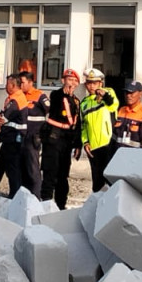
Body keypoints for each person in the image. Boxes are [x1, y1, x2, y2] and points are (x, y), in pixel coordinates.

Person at [3, 69, 48, 197]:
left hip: (33, 137)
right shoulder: (19, 97)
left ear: (30, 82)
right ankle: (23, 195)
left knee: (32, 169)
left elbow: (48, 112)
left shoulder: (39, 96)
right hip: (21, 137)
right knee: (20, 169)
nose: (20, 85)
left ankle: (36, 196)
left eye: (22, 83)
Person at [41, 68, 81, 208]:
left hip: (67, 141)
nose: (72, 83)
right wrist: (63, 92)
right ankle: (45, 203)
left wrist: (78, 145)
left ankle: (61, 205)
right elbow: (56, 102)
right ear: (63, 81)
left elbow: (78, 124)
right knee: (50, 172)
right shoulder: (56, 95)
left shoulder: (76, 101)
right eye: (69, 80)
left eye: (75, 81)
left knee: (63, 175)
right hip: (53, 138)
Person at [79, 68, 119, 191]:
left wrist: (105, 95)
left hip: (107, 143)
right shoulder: (84, 103)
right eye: (89, 83)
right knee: (97, 183)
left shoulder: (108, 92)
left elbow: (113, 104)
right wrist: (85, 142)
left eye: (95, 83)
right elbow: (84, 125)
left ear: (100, 83)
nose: (92, 86)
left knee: (110, 181)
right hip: (93, 147)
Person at [0, 74, 20, 194]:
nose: (5, 86)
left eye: (7, 84)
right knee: (0, 166)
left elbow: (2, 117)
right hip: (7, 137)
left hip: (13, 139)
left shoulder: (16, 100)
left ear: (13, 85)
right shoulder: (10, 99)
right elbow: (0, 117)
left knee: (12, 169)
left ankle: (14, 194)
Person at [114, 80, 142, 149]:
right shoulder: (121, 110)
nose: (128, 96)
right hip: (118, 155)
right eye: (126, 93)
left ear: (140, 94)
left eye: (131, 93)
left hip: (133, 157)